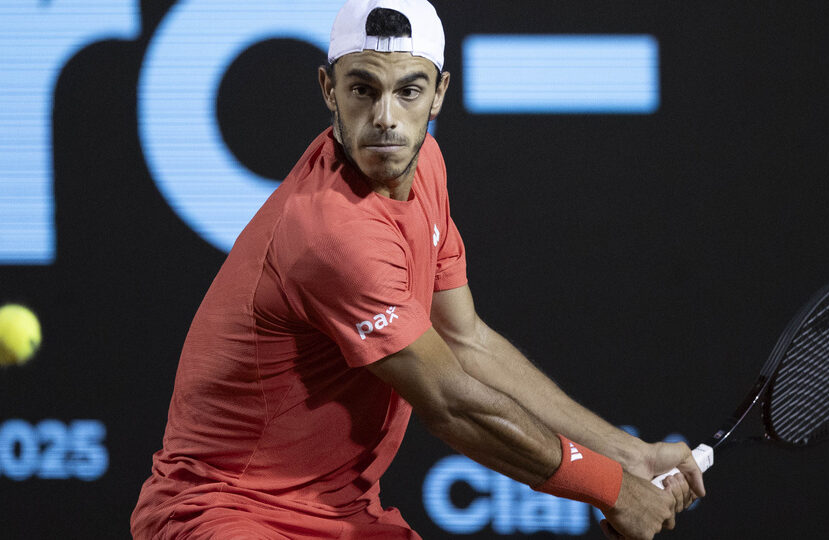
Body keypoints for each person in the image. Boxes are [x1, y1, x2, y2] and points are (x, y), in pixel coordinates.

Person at [131, 1, 705, 538]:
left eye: (409, 91)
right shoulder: (334, 232)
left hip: (339, 512)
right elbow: (452, 403)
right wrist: (613, 491)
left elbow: (466, 339)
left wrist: (630, 456)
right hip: (224, 512)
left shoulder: (425, 161)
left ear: (439, 94)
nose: (386, 119)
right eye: (363, 89)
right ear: (328, 89)